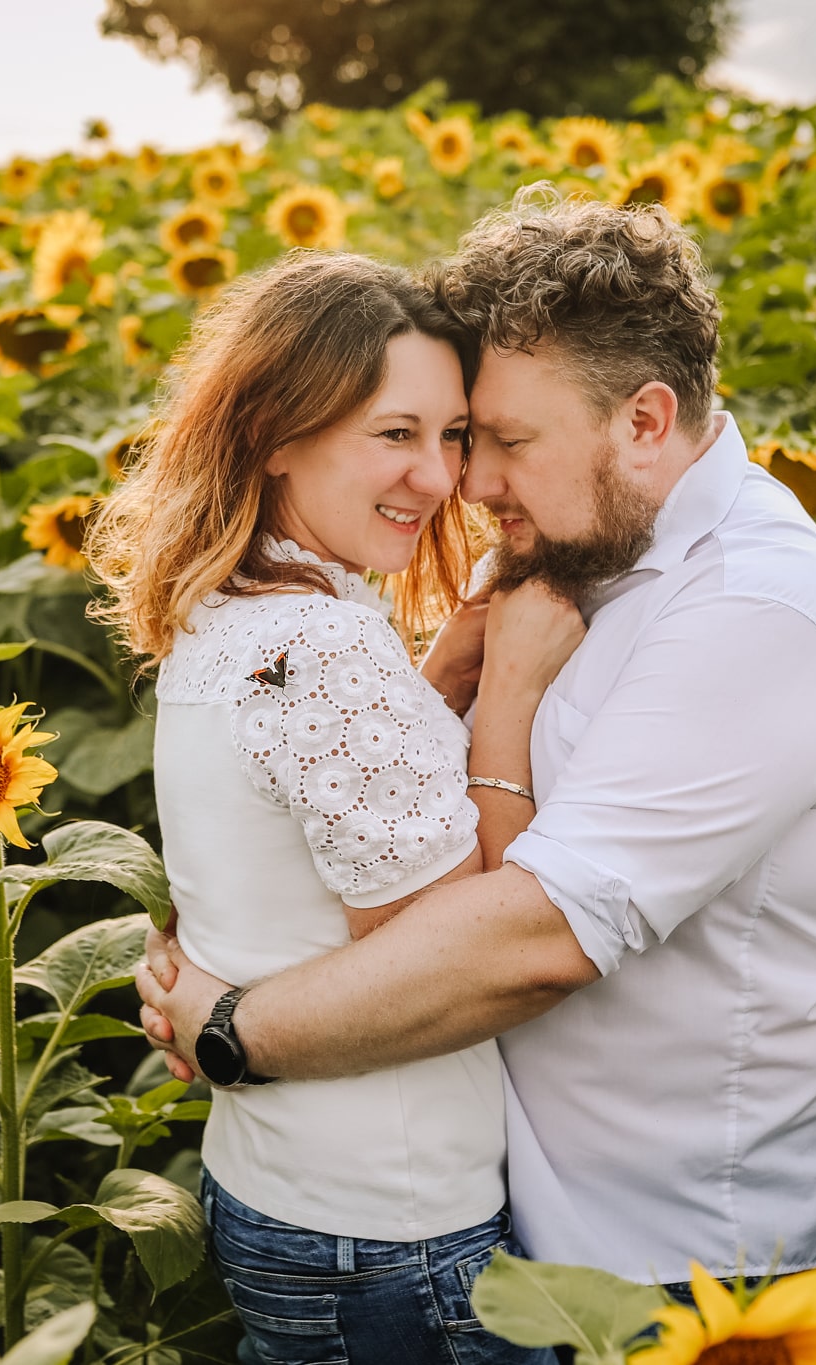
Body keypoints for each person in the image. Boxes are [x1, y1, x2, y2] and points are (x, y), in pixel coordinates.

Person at [136, 190, 816, 1301]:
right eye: (453, 435)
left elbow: (531, 940)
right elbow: (358, 795)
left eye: (500, 441)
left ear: (642, 420)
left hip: (674, 1268)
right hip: (490, 1233)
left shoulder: (753, 613)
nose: (467, 482)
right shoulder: (565, 548)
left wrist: (231, 1026)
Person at [85, 249, 582, 1365]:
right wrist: (505, 693)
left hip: (284, 1187)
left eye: (452, 436)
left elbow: (302, 830)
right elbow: (452, 945)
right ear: (274, 432)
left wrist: (437, 676)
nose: (437, 476)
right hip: (393, 1227)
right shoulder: (321, 645)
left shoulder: (227, 612)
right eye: (392, 434)